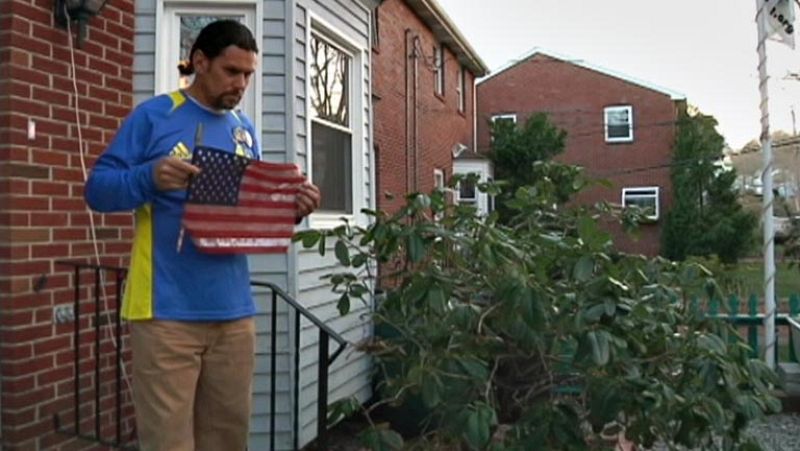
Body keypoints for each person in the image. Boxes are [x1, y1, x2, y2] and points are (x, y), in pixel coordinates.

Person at [84, 20, 321, 451]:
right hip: (165, 312)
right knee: (169, 443)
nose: (242, 83)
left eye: (248, 74)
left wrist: (290, 212)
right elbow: (97, 190)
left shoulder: (244, 130)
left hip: (234, 312)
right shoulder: (156, 115)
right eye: (232, 71)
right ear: (199, 62)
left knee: (229, 440)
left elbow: (247, 219)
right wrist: (149, 176)